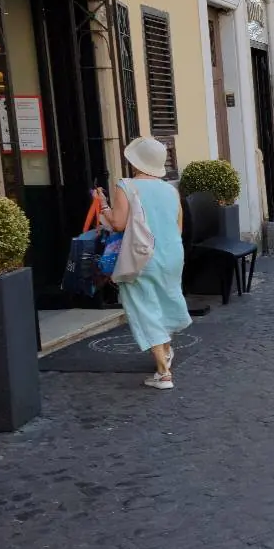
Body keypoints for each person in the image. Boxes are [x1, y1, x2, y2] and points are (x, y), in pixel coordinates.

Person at [96, 137, 190, 390]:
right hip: (171, 253)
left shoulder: (126, 185)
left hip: (141, 256)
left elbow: (118, 223)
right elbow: (178, 226)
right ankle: (166, 351)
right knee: (165, 301)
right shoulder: (171, 189)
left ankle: (163, 373)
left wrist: (102, 206)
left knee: (143, 307)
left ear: (134, 161)